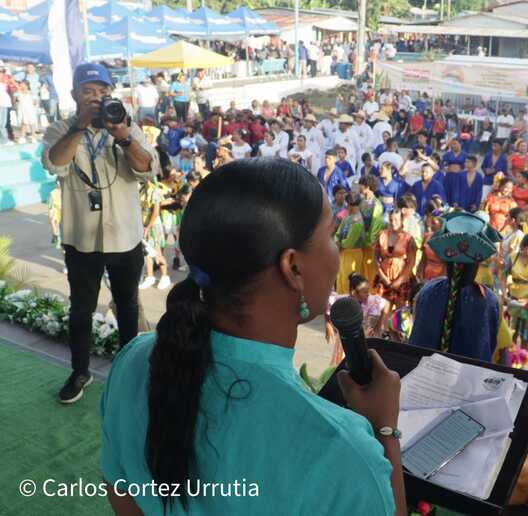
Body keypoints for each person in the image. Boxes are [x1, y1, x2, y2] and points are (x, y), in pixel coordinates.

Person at [100, 160, 406, 515]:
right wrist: (385, 431)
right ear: (293, 267)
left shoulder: (134, 359)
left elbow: (122, 492)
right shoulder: (339, 449)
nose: (337, 253)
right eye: (330, 235)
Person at [42, 63, 158, 403]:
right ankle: (80, 371)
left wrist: (122, 135)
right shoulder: (59, 129)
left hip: (125, 236)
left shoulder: (125, 122)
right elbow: (54, 163)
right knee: (80, 310)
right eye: (89, 91)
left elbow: (147, 168)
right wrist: (79, 128)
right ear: (74, 95)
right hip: (82, 238)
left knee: (127, 306)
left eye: (102, 91)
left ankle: (127, 371)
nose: (97, 98)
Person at [409, 212, 501, 361]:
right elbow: (487, 348)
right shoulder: (487, 300)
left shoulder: (428, 291)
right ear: (476, 265)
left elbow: (417, 342)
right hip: (466, 380)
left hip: (424, 376)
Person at [374, 210, 417, 310]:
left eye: (396, 220)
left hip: (402, 278)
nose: (393, 223)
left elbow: (411, 262)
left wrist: (400, 281)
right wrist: (384, 278)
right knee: (382, 311)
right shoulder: (381, 235)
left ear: (402, 221)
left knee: (401, 312)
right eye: (391, 220)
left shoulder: (409, 238)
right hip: (384, 277)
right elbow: (375, 258)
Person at [138, 178, 171, 291]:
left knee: (157, 253)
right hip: (144, 225)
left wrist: (148, 227)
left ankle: (164, 276)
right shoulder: (141, 189)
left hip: (154, 226)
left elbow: (156, 212)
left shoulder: (155, 191)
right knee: (147, 252)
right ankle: (150, 276)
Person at [336, 191, 366, 294]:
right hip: (344, 254)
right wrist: (337, 241)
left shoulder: (357, 221)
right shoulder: (347, 217)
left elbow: (350, 242)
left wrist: (339, 244)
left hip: (353, 255)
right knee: (341, 280)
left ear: (350, 205)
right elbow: (338, 233)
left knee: (348, 282)